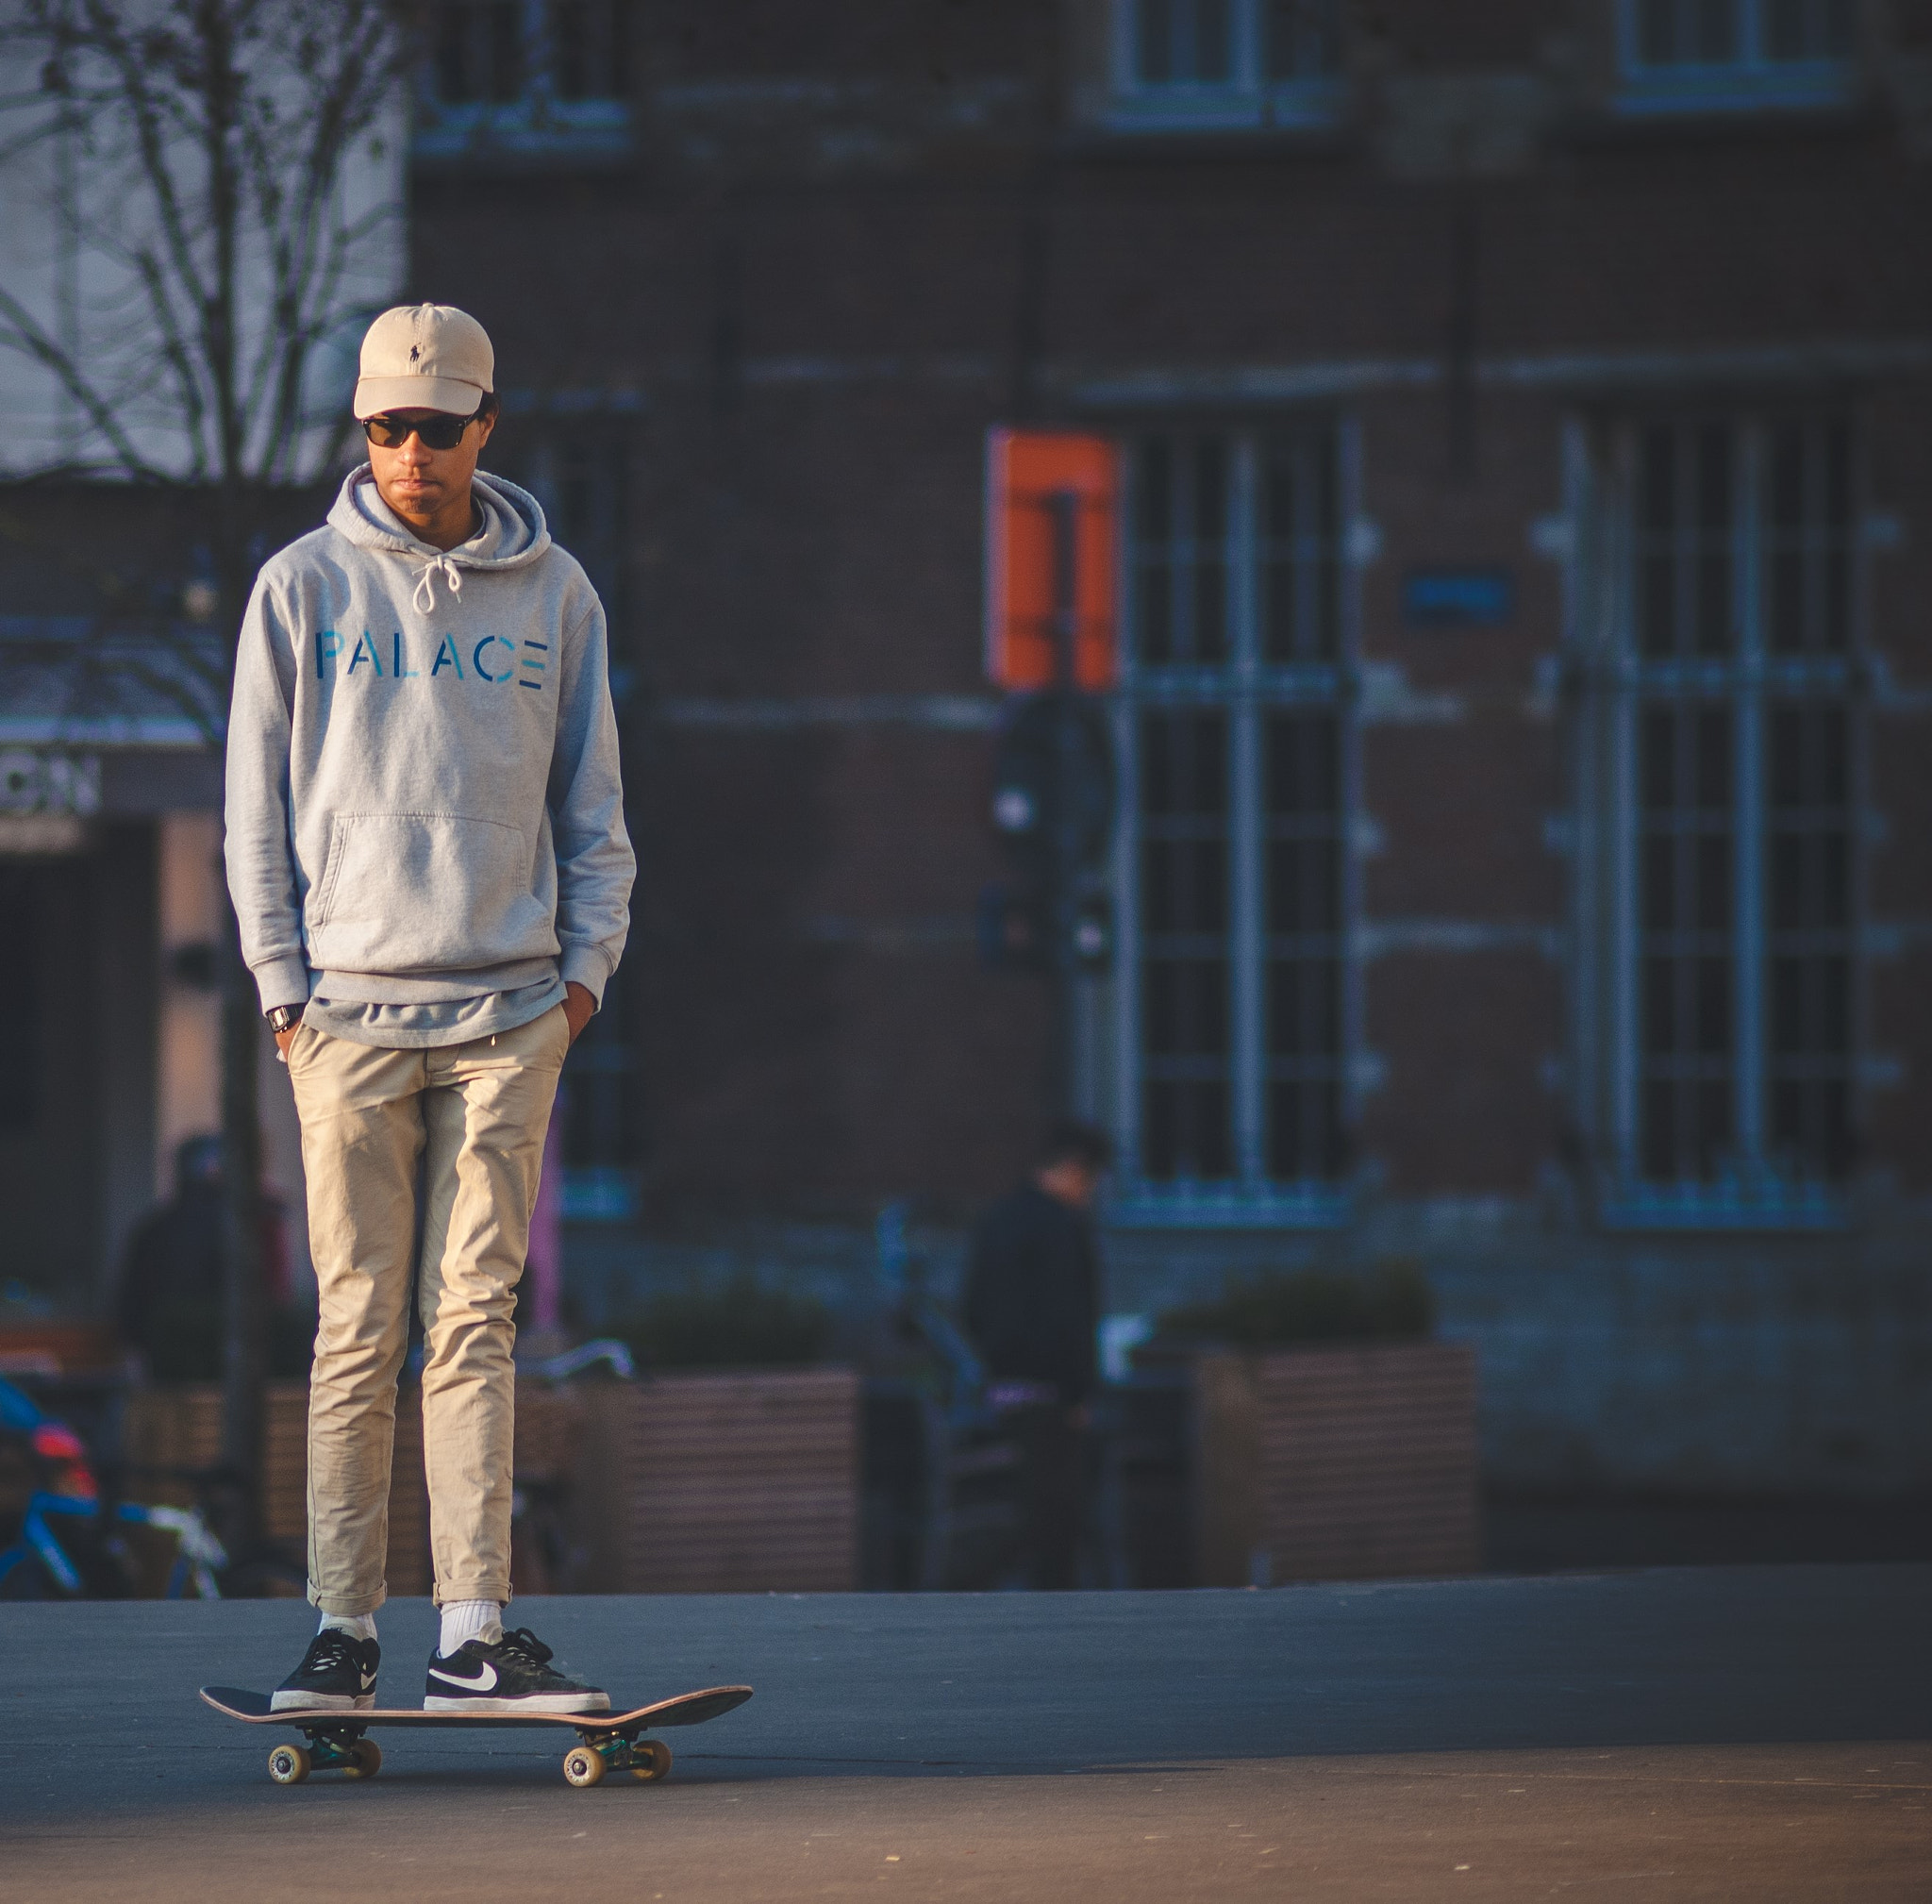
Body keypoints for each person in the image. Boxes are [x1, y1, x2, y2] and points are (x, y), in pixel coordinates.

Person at [225, 304, 634, 1713]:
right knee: (355, 1326)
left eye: (437, 426)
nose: (410, 452)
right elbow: (252, 820)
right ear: (362, 430)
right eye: (385, 427)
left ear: (486, 425)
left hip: (512, 1008)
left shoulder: (558, 595)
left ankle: (472, 1630)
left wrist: (583, 978)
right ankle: (342, 1633)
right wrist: (286, 994)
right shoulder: (298, 590)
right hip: (344, 1015)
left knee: (472, 1320)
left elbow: (597, 809)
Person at [961, 1119, 1113, 1589]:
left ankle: (970, 1586)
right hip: (1050, 1392)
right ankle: (973, 1589)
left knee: (1031, 1510)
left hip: (1004, 1386)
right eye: (1094, 1181)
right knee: (1056, 1521)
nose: (1094, 1194)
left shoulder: (999, 1218)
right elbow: (1070, 1317)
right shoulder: (1061, 1228)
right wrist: (1079, 1393)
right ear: (1074, 1169)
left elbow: (972, 1305)